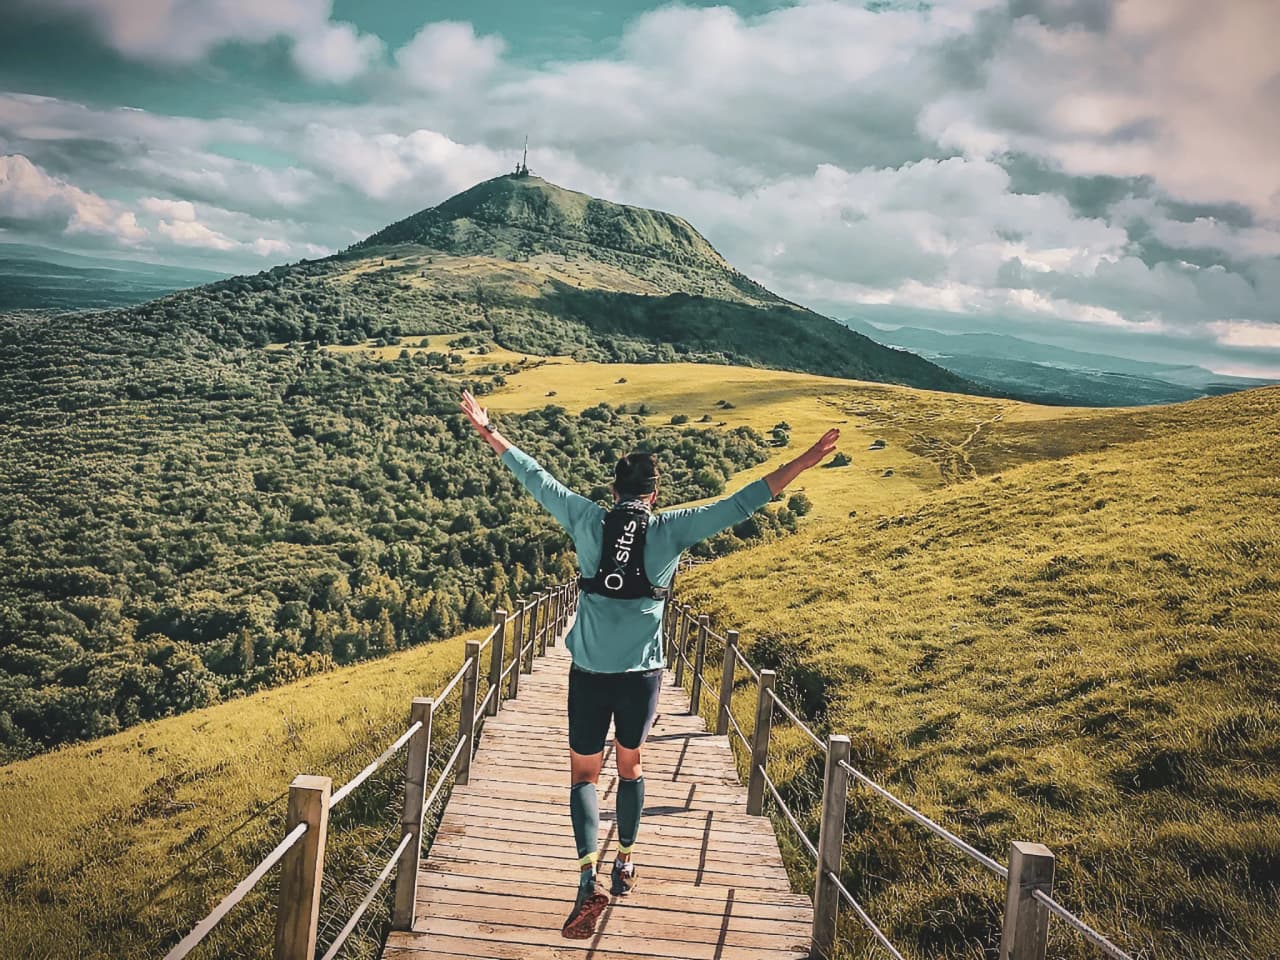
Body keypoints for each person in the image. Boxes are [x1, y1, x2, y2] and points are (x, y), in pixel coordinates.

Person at [459, 388, 839, 938]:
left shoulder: (587, 518)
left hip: (588, 673)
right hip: (642, 675)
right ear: (654, 495)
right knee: (631, 765)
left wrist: (487, 430)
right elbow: (741, 502)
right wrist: (802, 461)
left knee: (583, 775)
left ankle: (588, 876)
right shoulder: (670, 529)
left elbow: (536, 477)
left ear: (614, 491)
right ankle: (628, 859)